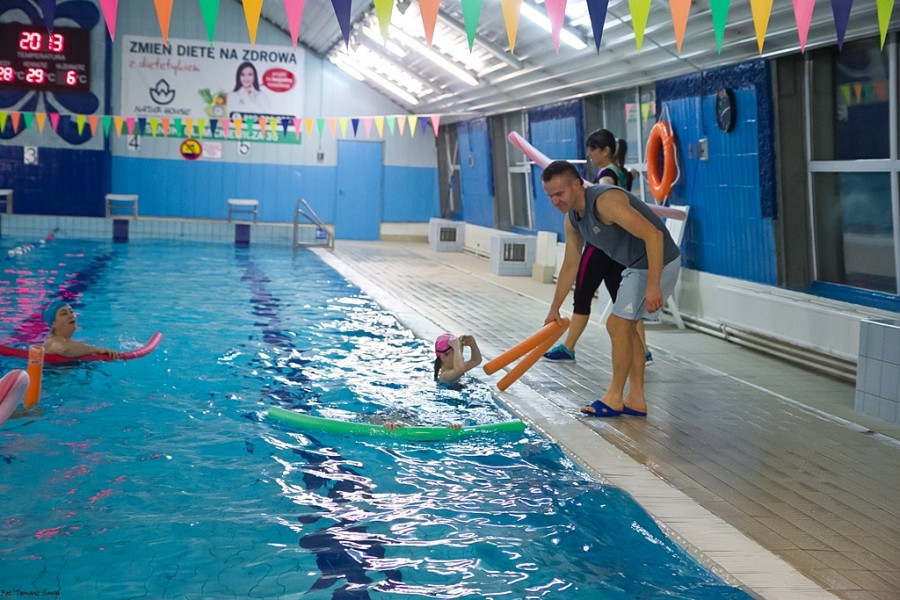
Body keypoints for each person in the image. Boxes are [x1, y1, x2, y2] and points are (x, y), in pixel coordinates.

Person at [541, 160, 681, 418]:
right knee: (625, 328)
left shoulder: (604, 202)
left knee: (617, 325)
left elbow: (654, 235)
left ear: (577, 184)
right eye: (550, 196)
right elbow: (570, 265)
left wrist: (653, 285)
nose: (555, 201)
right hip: (636, 266)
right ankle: (636, 399)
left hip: (659, 263)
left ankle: (615, 398)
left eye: (560, 193)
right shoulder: (573, 219)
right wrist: (554, 308)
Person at [544, 130, 653, 365]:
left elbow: (605, 190)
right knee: (625, 305)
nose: (589, 154)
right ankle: (643, 350)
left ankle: (569, 347)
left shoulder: (606, 177)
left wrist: (593, 193)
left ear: (606, 150)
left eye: (593, 149)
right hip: (619, 248)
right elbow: (630, 179)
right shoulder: (623, 172)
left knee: (583, 296)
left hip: (599, 246)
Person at [42, 300, 119, 359]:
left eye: (71, 312)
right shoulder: (52, 341)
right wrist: (98, 350)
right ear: (53, 323)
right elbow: (64, 349)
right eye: (64, 313)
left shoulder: (68, 342)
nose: (71, 315)